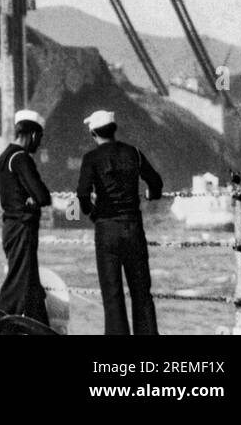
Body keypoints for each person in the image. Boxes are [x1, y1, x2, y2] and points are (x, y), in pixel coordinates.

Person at [76, 109, 163, 335]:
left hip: (106, 229)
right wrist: (152, 194)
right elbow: (155, 181)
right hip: (133, 227)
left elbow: (83, 194)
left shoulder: (91, 158)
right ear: (114, 129)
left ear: (93, 133)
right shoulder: (134, 153)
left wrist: (93, 214)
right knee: (142, 293)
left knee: (112, 295)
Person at [0, 108, 52, 325]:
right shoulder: (20, 158)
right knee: (17, 285)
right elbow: (43, 196)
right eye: (40, 138)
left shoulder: (5, 157)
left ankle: (42, 328)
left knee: (31, 288)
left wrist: (30, 199)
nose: (39, 144)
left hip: (11, 226)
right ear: (33, 135)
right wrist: (33, 200)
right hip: (22, 230)